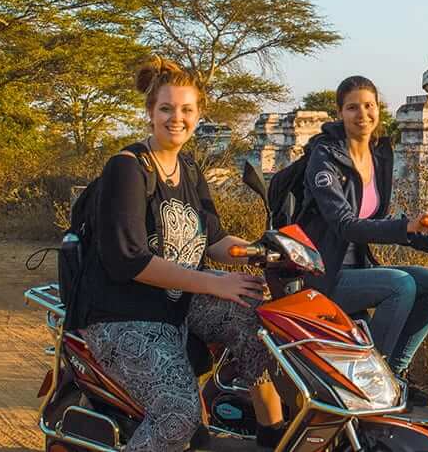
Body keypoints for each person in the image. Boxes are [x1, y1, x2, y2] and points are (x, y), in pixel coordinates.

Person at [79, 58, 284, 452]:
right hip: (124, 316)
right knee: (178, 413)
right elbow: (131, 260)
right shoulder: (127, 168)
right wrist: (215, 282)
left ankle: (273, 436)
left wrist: (266, 253)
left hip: (177, 303)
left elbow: (216, 239)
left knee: (256, 324)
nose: (177, 118)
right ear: (150, 114)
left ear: (198, 114)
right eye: (167, 109)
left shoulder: (188, 169)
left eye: (186, 110)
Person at [298, 75, 428, 385]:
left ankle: (395, 371)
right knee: (401, 285)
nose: (362, 115)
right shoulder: (324, 157)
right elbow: (346, 224)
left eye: (369, 106)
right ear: (339, 113)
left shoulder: (380, 154)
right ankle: (367, 378)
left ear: (379, 109)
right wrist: (405, 227)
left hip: (359, 268)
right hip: (324, 271)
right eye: (352, 107)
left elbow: (376, 216)